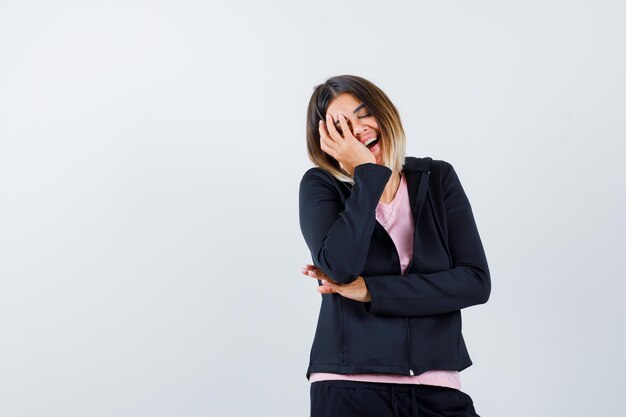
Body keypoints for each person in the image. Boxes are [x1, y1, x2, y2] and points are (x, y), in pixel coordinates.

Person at [298, 75, 491, 417]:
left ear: (384, 113)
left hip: (436, 385)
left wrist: (372, 291)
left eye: (363, 114)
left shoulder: (437, 178)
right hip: (348, 385)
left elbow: (475, 282)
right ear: (327, 140)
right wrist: (367, 176)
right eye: (342, 126)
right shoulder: (320, 185)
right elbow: (340, 267)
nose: (358, 130)